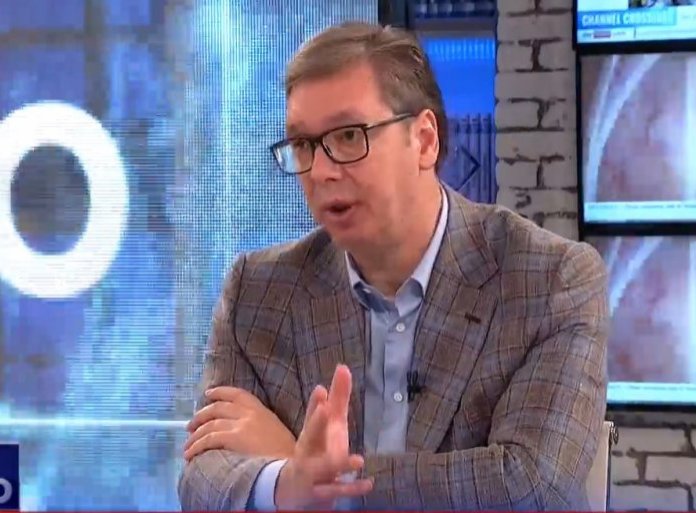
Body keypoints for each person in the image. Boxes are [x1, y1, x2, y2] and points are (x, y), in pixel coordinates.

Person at [177, 21, 609, 511]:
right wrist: (287, 480)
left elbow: (532, 486)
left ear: (424, 140)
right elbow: (203, 481)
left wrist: (323, 481)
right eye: (303, 145)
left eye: (348, 136)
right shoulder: (258, 292)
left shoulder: (549, 280)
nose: (321, 171)